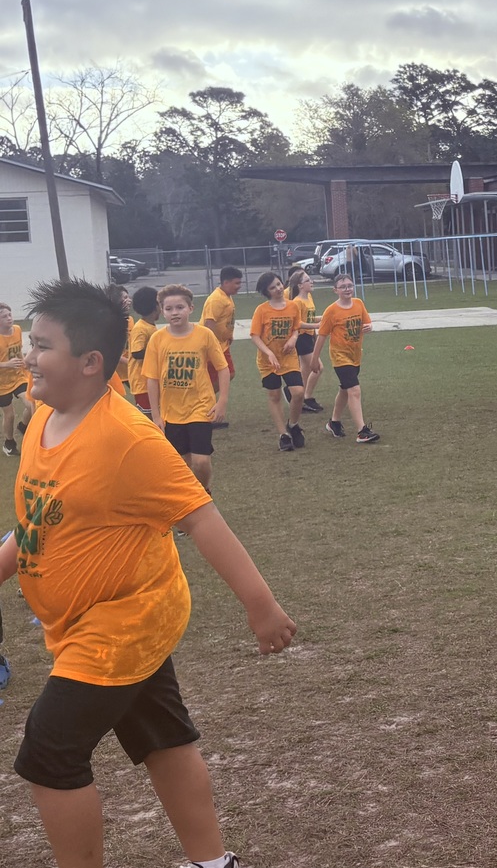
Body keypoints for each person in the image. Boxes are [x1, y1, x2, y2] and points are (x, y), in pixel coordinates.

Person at [0, 277, 296, 868]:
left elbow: (202, 521)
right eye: (29, 342)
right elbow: (38, 522)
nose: (26, 356)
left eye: (41, 345)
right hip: (89, 618)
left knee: (50, 753)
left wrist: (261, 606)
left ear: (89, 362)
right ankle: (213, 863)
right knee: (161, 736)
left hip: (124, 620)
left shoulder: (129, 439)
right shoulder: (41, 421)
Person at [144, 285, 229, 492]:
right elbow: (152, 379)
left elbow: (223, 368)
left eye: (180, 307)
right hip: (171, 413)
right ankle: (192, 499)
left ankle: (202, 492)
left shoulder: (204, 335)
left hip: (201, 408)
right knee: (182, 464)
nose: (175, 313)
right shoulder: (157, 338)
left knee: (200, 461)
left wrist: (222, 402)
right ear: (162, 311)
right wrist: (156, 416)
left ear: (190, 308)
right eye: (169, 309)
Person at [312, 274, 380, 443]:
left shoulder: (358, 303)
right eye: (343, 286)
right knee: (354, 390)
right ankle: (362, 431)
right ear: (335, 290)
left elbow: (367, 323)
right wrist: (314, 359)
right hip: (340, 356)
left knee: (345, 389)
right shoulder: (331, 311)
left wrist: (368, 327)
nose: (347, 289)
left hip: (355, 354)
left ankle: (334, 422)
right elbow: (321, 336)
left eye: (350, 285)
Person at [250, 272, 306, 451]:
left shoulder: (293, 306)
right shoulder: (261, 310)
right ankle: (283, 435)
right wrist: (268, 353)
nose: (278, 288)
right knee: (274, 396)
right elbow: (255, 336)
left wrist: (293, 338)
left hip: (288, 357)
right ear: (267, 292)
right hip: (268, 361)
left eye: (279, 284)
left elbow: (296, 328)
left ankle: (294, 424)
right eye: (273, 287)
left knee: (298, 393)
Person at [201, 267, 242, 428]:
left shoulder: (226, 296)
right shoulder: (216, 299)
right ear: (225, 282)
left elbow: (223, 321)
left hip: (223, 345)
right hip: (214, 347)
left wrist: (228, 335)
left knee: (227, 375)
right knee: (224, 375)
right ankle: (204, 405)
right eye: (236, 283)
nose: (239, 286)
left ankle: (206, 405)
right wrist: (211, 347)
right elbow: (209, 323)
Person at [286, 269, 325, 414]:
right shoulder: (296, 302)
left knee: (306, 370)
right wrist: (315, 325)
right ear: (300, 285)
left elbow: (309, 318)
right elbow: (297, 323)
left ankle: (298, 397)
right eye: (308, 280)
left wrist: (323, 317)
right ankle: (305, 397)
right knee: (318, 367)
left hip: (308, 337)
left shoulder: (308, 298)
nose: (311, 282)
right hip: (301, 338)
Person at [0, 302, 33, 456]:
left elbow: (18, 350)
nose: (9, 318)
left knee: (31, 403)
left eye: (9, 314)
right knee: (10, 414)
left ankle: (24, 426)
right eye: (4, 316)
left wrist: (24, 361)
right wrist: (6, 364)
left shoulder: (18, 330)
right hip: (1, 383)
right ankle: (9, 444)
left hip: (19, 376)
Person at [127, 286, 160, 419]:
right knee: (149, 416)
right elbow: (137, 352)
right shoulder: (140, 328)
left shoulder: (150, 326)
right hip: (142, 383)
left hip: (151, 381)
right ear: (154, 306)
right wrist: (160, 350)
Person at [106, 284, 134, 396]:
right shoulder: (109, 323)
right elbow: (108, 351)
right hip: (114, 370)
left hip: (129, 369)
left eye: (128, 297)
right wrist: (129, 362)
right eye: (124, 298)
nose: (129, 301)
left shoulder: (130, 319)